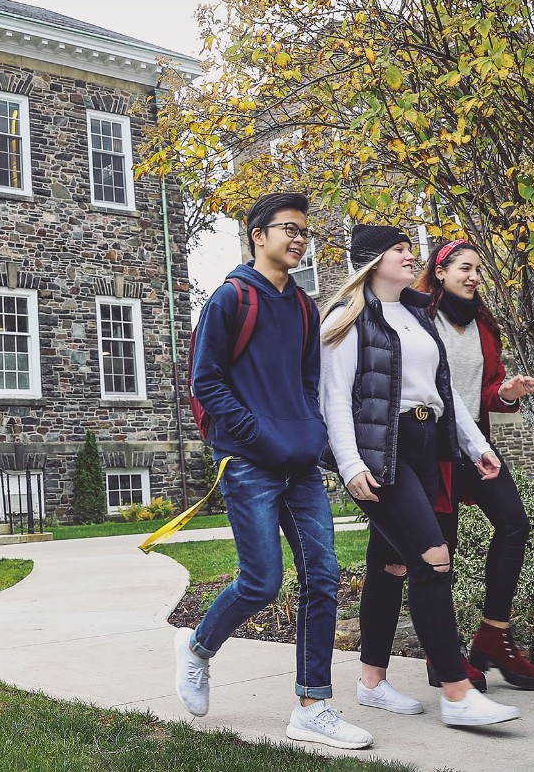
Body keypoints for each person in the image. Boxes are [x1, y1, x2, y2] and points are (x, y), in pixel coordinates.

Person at [178, 192, 374, 750]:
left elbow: (309, 384)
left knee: (323, 577)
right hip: (249, 464)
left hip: (301, 464)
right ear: (257, 235)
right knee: (262, 581)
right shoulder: (230, 300)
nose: (299, 238)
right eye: (288, 229)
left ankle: (313, 705)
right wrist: (260, 434)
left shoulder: (307, 308)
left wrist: (310, 434)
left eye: (304, 232)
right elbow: (206, 384)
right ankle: (197, 648)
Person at [319, 223, 520, 727]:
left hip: (428, 447)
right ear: (372, 261)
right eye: (400, 250)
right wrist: (349, 464)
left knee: (391, 566)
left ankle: (371, 683)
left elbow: (444, 392)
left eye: (411, 249)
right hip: (383, 455)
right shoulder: (349, 317)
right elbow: (335, 399)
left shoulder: (415, 313)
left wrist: (475, 446)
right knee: (433, 560)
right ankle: (456, 693)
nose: (412, 257)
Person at [418, 239, 534, 690]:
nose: (473, 277)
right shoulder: (422, 320)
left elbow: (486, 390)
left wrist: (507, 391)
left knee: (514, 523)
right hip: (433, 450)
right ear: (440, 271)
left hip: (476, 445)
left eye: (477, 270)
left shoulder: (483, 326)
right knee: (440, 552)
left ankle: (493, 635)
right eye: (464, 268)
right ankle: (442, 655)